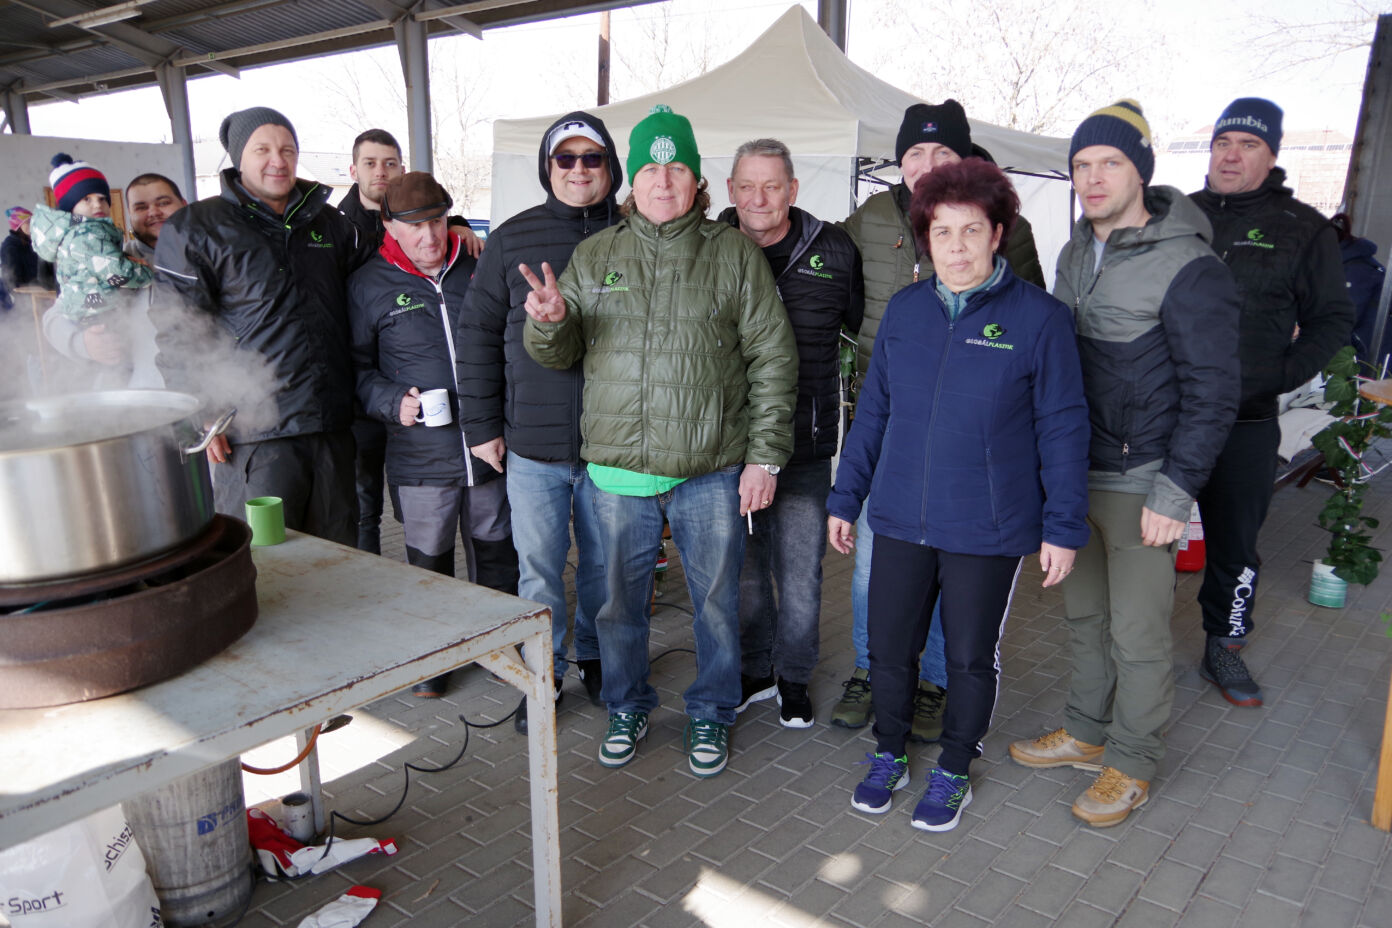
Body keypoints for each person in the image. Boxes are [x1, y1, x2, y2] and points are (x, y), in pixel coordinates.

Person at [522, 104, 798, 778]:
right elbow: (559, 352)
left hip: (710, 469)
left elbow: (772, 358)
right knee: (617, 605)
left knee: (716, 604)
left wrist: (764, 458)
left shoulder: (733, 254)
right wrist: (549, 323)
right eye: (651, 167)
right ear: (633, 180)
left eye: (677, 168)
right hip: (619, 472)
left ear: (697, 180)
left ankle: (712, 709)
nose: (664, 179)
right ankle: (626, 703)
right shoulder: (597, 255)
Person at [827, 158, 1089, 832]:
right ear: (926, 238)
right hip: (900, 516)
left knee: (969, 657)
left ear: (998, 234)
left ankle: (953, 768)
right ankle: (889, 753)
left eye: (972, 230)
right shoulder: (907, 310)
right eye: (942, 232)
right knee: (888, 651)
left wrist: (1063, 526)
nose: (957, 247)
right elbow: (873, 413)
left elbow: (1062, 427)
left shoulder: (1040, 319)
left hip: (987, 524)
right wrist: (845, 497)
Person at [1010, 100, 1241, 827]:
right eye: (1081, 164)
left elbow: (1214, 390)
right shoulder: (1075, 252)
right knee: (1084, 617)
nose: (1093, 177)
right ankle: (1086, 731)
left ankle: (1133, 762)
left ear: (1141, 170)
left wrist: (1176, 491)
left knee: (1137, 634)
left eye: (1110, 162)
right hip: (1076, 470)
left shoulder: (1188, 264)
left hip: (1144, 479)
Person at [831, 100, 1047, 742]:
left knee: (950, 569)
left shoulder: (1006, 226)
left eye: (941, 152)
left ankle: (933, 683)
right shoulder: (870, 218)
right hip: (888, 414)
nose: (926, 164)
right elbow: (831, 280)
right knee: (876, 565)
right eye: (914, 153)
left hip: (970, 431)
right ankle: (872, 669)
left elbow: (1029, 320)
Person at [457, 112, 623, 733]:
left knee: (607, 570)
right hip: (533, 446)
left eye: (592, 158)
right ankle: (543, 675)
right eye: (566, 159)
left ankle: (598, 658)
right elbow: (476, 334)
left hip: (613, 445)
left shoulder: (634, 233)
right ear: (547, 167)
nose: (579, 170)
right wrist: (481, 425)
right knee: (540, 572)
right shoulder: (512, 237)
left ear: (611, 167)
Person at [1188, 99, 1356, 708]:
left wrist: (1278, 375)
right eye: (1222, 142)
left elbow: (1333, 318)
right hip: (1167, 417)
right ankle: (1136, 646)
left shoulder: (1302, 228)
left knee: (1235, 545)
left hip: (1246, 420)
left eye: (1248, 144)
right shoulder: (1176, 216)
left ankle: (1224, 645)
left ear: (1272, 154)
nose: (1231, 155)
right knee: (1142, 542)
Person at [153, 106, 372, 545]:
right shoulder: (197, 228)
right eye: (263, 150)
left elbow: (380, 267)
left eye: (288, 149)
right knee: (265, 557)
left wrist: (455, 228)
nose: (278, 160)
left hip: (330, 424)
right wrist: (201, 409)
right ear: (239, 158)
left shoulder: (328, 223)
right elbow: (177, 329)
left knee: (339, 556)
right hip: (254, 431)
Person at [348, 171, 519, 698]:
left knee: (496, 552)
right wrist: (390, 401)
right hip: (419, 457)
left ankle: (500, 647)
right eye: (415, 226)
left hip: (486, 446)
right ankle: (436, 657)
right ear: (389, 226)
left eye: (438, 221)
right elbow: (354, 368)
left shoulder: (477, 266)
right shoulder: (368, 284)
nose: (429, 236)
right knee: (428, 560)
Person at [717, 138, 863, 728]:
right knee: (745, 572)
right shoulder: (709, 245)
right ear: (730, 190)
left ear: (793, 190)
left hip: (804, 442)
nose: (759, 198)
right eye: (747, 186)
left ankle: (794, 677)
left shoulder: (834, 250)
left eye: (772, 186)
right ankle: (755, 669)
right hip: (729, 444)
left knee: (800, 573)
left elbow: (863, 329)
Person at [42, 173, 186, 389]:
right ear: (130, 215)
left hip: (206, 389)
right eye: (141, 207)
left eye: (163, 203)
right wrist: (84, 343)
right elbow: (54, 318)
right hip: (133, 395)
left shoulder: (211, 254)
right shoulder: (105, 262)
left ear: (184, 204)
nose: (153, 212)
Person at [337, 129, 407, 556]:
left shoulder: (415, 220)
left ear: (402, 169)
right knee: (364, 504)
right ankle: (369, 578)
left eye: (389, 163)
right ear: (353, 170)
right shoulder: (332, 229)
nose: (380, 171)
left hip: (409, 381)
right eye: (370, 163)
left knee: (415, 500)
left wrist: (456, 224)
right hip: (358, 384)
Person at [29, 154, 152, 329]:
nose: (97, 205)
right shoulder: (86, 234)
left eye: (102, 199)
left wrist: (123, 258)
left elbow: (98, 261)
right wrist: (147, 274)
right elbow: (115, 272)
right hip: (98, 312)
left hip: (87, 308)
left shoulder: (79, 232)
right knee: (117, 343)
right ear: (70, 207)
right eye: (87, 199)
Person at [1332, 213, 1388, 369]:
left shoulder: (1356, 271)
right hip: (1366, 354)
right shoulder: (1351, 263)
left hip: (1372, 359)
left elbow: (1343, 320)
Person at [1, 207, 40, 291]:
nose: (32, 225)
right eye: (28, 222)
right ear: (18, 226)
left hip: (41, 292)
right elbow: (12, 282)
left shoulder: (34, 242)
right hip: (25, 295)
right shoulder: (10, 247)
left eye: (32, 221)